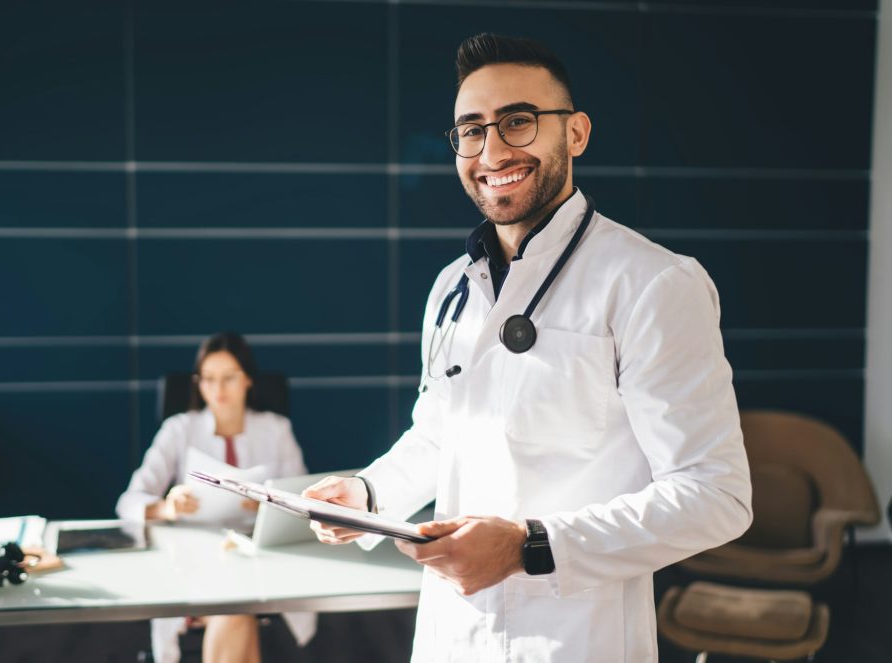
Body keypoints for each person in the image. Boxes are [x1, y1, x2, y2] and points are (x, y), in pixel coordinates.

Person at [305, 33, 753, 662]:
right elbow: (439, 437)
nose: (492, 150)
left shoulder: (653, 284)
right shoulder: (452, 288)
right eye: (471, 130)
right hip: (451, 635)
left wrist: (528, 547)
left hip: (578, 640)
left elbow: (715, 496)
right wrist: (368, 495)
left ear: (575, 134)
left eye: (518, 122)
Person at [117, 332, 309, 663]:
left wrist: (269, 503)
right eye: (208, 379)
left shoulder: (276, 430)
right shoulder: (179, 429)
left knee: (235, 609)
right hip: (193, 562)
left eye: (228, 378)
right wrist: (167, 506)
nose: (217, 390)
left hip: (261, 562)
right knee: (236, 610)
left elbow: (303, 504)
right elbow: (128, 503)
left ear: (247, 380)